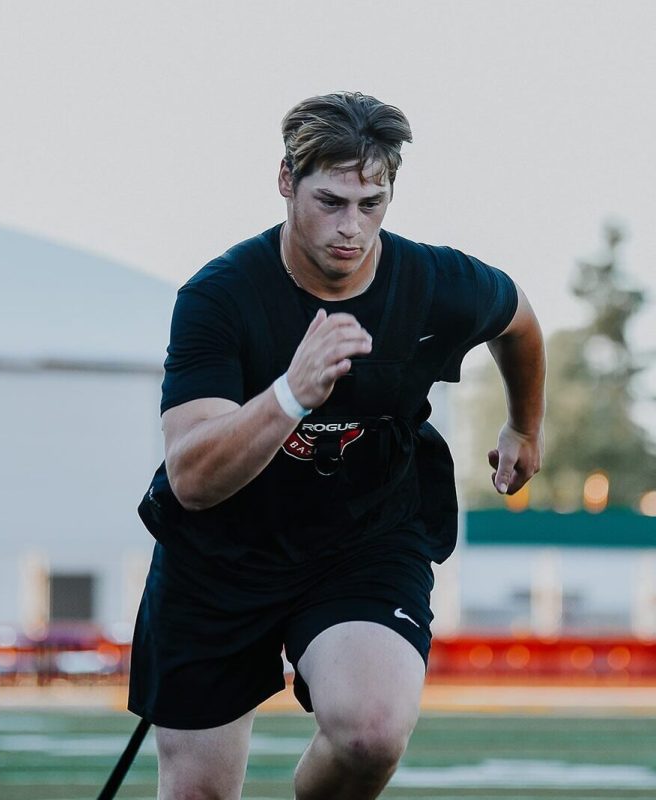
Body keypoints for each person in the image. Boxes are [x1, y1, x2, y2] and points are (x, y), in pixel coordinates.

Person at [129, 91, 546, 799]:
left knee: (372, 732)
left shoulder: (434, 282)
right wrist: (291, 393)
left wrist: (524, 428)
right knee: (198, 791)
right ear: (286, 181)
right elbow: (191, 479)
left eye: (371, 203)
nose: (351, 227)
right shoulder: (219, 296)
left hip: (364, 539)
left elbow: (520, 320)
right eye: (330, 202)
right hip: (221, 553)